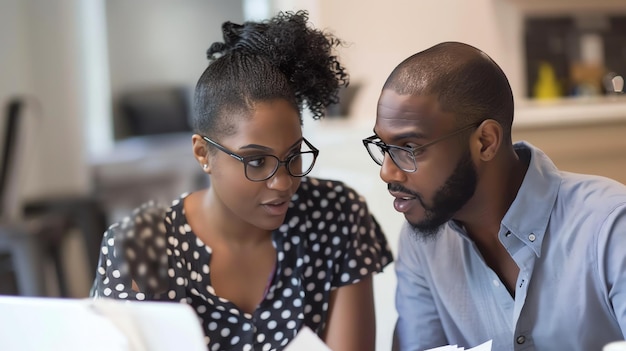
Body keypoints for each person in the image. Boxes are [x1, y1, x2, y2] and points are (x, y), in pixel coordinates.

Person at [91, 10, 393, 351]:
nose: (282, 182)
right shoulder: (142, 248)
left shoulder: (336, 215)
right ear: (203, 153)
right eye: (256, 160)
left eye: (293, 155)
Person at [362, 41, 626, 351]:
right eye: (384, 147)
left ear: (486, 142)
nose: (388, 172)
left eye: (408, 149)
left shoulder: (610, 225)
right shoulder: (422, 242)